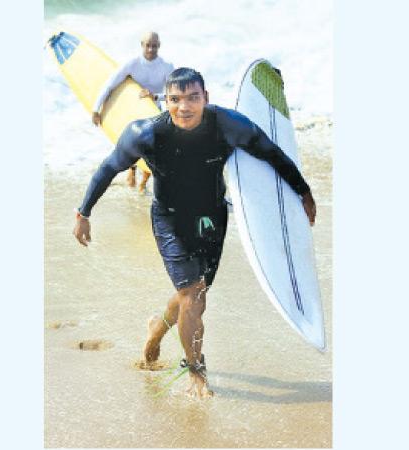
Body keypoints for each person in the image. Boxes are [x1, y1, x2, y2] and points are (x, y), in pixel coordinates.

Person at [73, 68, 317, 398]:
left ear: (205, 98)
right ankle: (197, 372)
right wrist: (83, 213)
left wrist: (302, 193)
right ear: (166, 101)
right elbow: (107, 169)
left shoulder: (229, 125)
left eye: (192, 98)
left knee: (195, 298)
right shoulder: (145, 134)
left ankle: (157, 327)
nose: (184, 107)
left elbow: (270, 152)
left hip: (212, 217)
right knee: (193, 295)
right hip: (170, 219)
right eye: (175, 99)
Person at [92, 31, 174, 191]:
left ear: (159, 46)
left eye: (154, 46)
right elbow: (110, 84)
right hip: (132, 111)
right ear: (142, 45)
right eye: (148, 45)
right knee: (131, 145)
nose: (151, 49)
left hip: (153, 111)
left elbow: (175, 95)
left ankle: (143, 182)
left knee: (152, 149)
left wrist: (155, 96)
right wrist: (96, 109)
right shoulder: (132, 63)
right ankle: (132, 171)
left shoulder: (167, 67)